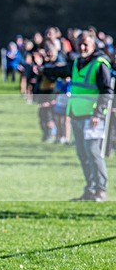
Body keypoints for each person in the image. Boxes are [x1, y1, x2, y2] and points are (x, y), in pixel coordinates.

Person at [43, 31, 113, 201]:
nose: (82, 47)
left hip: (93, 116)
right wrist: (44, 69)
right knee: (82, 154)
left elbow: (106, 91)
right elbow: (61, 71)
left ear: (93, 45)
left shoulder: (100, 64)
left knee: (93, 153)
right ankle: (90, 189)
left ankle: (101, 190)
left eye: (85, 44)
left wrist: (98, 113)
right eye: (79, 44)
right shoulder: (76, 63)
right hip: (76, 114)